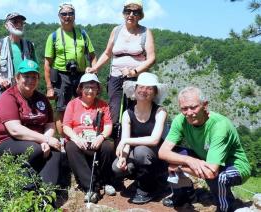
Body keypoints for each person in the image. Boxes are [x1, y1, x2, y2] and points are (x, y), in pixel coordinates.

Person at [158, 86, 251, 212]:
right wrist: (189, 160)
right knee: (171, 156)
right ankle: (183, 196)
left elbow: (211, 172)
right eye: (184, 109)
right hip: (205, 159)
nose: (189, 113)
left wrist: (179, 166)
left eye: (193, 107)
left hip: (235, 167)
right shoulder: (181, 120)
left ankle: (225, 208)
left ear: (205, 105)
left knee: (219, 177)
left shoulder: (220, 126)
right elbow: (163, 152)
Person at [86, 0, 155, 140]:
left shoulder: (145, 32)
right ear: (124, 13)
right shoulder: (116, 30)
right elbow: (107, 53)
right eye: (128, 11)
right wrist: (95, 68)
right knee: (114, 111)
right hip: (115, 77)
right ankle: (114, 143)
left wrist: (134, 72)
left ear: (140, 15)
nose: (131, 15)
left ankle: (131, 143)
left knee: (133, 111)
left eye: (135, 12)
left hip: (136, 79)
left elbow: (151, 58)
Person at [0, 59, 61, 185]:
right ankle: (26, 188)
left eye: (34, 77)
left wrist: (46, 140)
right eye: (26, 76)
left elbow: (50, 124)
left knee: (55, 151)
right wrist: (44, 140)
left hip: (37, 140)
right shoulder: (8, 97)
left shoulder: (41, 99)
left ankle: (46, 193)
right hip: (7, 140)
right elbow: (15, 130)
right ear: (17, 77)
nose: (31, 80)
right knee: (34, 149)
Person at [112, 72, 168, 204]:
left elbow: (154, 140)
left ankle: (147, 189)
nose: (144, 91)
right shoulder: (127, 113)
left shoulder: (160, 111)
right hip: (139, 155)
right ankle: (143, 179)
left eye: (149, 88)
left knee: (140, 151)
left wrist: (125, 141)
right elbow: (125, 141)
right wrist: (123, 158)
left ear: (154, 93)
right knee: (116, 167)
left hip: (156, 156)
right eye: (141, 87)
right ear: (135, 90)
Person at [44, 3, 97, 138]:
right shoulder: (54, 36)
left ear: (74, 16)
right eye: (64, 14)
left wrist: (93, 73)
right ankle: (63, 140)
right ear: (59, 16)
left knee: (86, 104)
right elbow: (47, 63)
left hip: (81, 74)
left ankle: (85, 134)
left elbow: (92, 55)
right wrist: (49, 87)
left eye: (70, 13)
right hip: (62, 75)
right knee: (61, 108)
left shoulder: (82, 34)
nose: (67, 17)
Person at [63, 73, 114, 203]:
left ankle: (102, 180)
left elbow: (108, 126)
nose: (90, 90)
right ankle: (91, 187)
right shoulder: (72, 104)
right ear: (80, 89)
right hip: (79, 140)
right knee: (70, 146)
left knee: (108, 147)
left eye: (93, 87)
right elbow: (66, 126)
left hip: (96, 139)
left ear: (98, 89)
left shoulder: (103, 105)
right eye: (87, 87)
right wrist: (76, 138)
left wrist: (101, 137)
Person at [0, 12, 36, 98]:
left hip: (25, 92)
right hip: (4, 92)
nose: (18, 24)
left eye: (21, 22)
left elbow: (35, 69)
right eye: (15, 22)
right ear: (6, 25)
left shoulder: (29, 46)